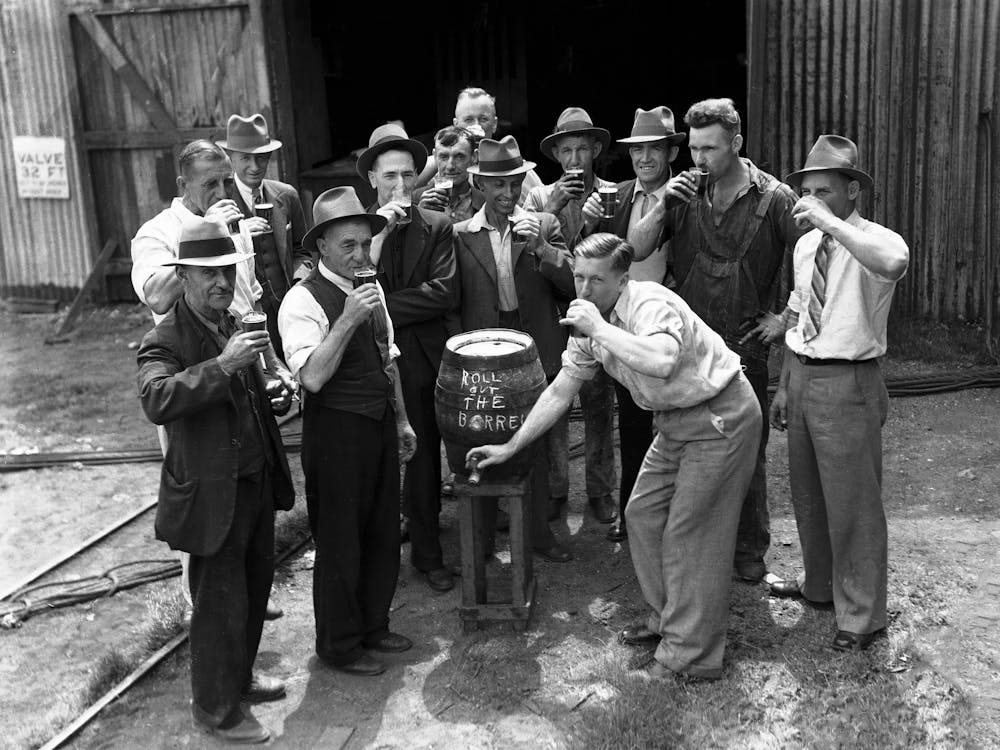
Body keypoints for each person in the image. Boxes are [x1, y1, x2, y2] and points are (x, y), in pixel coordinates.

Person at [468, 233, 761, 680]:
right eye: (578, 278)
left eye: (596, 281)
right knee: (643, 515)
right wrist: (511, 445)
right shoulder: (589, 324)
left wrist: (600, 328)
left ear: (622, 280)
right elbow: (561, 391)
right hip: (675, 420)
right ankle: (670, 622)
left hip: (720, 415)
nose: (583, 291)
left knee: (691, 534)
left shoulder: (648, 303)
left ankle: (692, 657)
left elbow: (662, 360)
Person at [626, 98, 802, 583]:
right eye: (695, 149)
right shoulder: (681, 196)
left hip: (745, 351)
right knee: (683, 448)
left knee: (747, 456)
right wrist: (663, 203)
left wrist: (786, 318)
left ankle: (748, 553)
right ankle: (695, 548)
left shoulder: (775, 198)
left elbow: (816, 254)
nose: (699, 160)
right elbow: (632, 252)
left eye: (710, 149)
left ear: (737, 144)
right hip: (689, 353)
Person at [136, 217, 295, 744]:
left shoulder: (230, 323)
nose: (221, 281)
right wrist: (224, 367)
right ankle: (215, 711)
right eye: (208, 273)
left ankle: (241, 681)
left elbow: (249, 392)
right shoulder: (165, 338)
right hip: (210, 495)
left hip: (252, 482)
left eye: (227, 269)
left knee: (253, 592)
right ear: (182, 276)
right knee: (218, 605)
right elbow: (157, 399)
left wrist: (271, 390)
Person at [130, 139, 293, 622]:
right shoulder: (157, 231)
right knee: (205, 506)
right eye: (212, 184)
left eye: (226, 180)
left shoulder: (237, 223)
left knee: (246, 502)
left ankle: (240, 606)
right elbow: (160, 298)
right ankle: (202, 614)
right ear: (183, 186)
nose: (224, 190)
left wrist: (273, 370)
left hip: (240, 362)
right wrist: (209, 236)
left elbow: (251, 304)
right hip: (192, 367)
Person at [768, 134, 909, 651]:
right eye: (808, 190)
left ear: (853, 191)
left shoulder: (878, 239)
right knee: (808, 495)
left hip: (850, 381)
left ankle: (862, 616)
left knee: (854, 504)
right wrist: (785, 385)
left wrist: (830, 223)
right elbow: (800, 315)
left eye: (824, 190)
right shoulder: (807, 246)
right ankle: (820, 587)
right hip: (805, 376)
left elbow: (893, 265)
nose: (812, 200)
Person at [278, 186, 417, 676]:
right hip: (335, 432)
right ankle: (338, 646)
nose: (361, 255)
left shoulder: (371, 289)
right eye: (347, 247)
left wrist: (400, 419)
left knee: (381, 531)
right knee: (340, 541)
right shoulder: (301, 300)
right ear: (321, 249)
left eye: (365, 244)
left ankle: (373, 626)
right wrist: (348, 316)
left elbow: (388, 356)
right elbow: (312, 376)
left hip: (377, 423)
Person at [453, 135, 575, 562]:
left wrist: (542, 248)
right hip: (484, 355)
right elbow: (455, 300)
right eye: (498, 185)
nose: (508, 194)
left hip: (533, 351)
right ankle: (483, 540)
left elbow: (574, 284)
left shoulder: (543, 225)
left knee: (534, 443)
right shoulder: (461, 235)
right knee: (480, 443)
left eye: (514, 184)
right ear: (480, 186)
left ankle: (539, 534)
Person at [358, 123, 458, 593]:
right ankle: (380, 556)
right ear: (373, 181)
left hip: (423, 358)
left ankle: (430, 555)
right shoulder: (356, 230)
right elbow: (349, 286)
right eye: (391, 177)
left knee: (424, 459)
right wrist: (378, 239)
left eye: (408, 176)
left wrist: (378, 302)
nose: (401, 186)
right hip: (367, 362)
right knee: (374, 463)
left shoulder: (436, 226)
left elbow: (442, 293)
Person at [583, 106, 686, 541]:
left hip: (668, 323)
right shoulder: (618, 194)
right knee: (633, 424)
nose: (644, 158)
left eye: (654, 149)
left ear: (670, 153)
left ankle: (676, 521)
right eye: (638, 149)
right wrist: (587, 219)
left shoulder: (685, 194)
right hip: (622, 323)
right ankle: (632, 517)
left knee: (678, 423)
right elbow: (592, 256)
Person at [526, 106, 617, 526]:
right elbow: (535, 260)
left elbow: (610, 259)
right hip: (554, 317)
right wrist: (556, 204)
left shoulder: (615, 193)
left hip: (600, 319)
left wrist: (589, 219)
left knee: (599, 408)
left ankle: (600, 491)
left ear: (596, 149)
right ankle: (558, 491)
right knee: (557, 411)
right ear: (556, 156)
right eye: (567, 150)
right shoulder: (539, 197)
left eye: (583, 148)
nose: (575, 159)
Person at [217, 113, 313, 356]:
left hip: (287, 304)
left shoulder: (286, 195)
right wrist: (240, 234)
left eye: (261, 158)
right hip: (244, 311)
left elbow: (302, 250)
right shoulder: (220, 203)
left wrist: (299, 285)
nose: (254, 167)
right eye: (245, 159)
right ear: (230, 158)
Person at [417, 87, 542, 204]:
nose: (476, 126)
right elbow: (407, 187)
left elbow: (538, 207)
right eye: (469, 120)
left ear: (494, 124)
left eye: (483, 119)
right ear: (456, 125)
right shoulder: (443, 166)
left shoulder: (514, 166)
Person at [414, 125, 485, 224]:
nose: (450, 166)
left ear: (474, 157)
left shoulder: (487, 203)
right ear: (434, 157)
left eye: (459, 156)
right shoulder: (414, 200)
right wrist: (419, 218)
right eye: (444, 157)